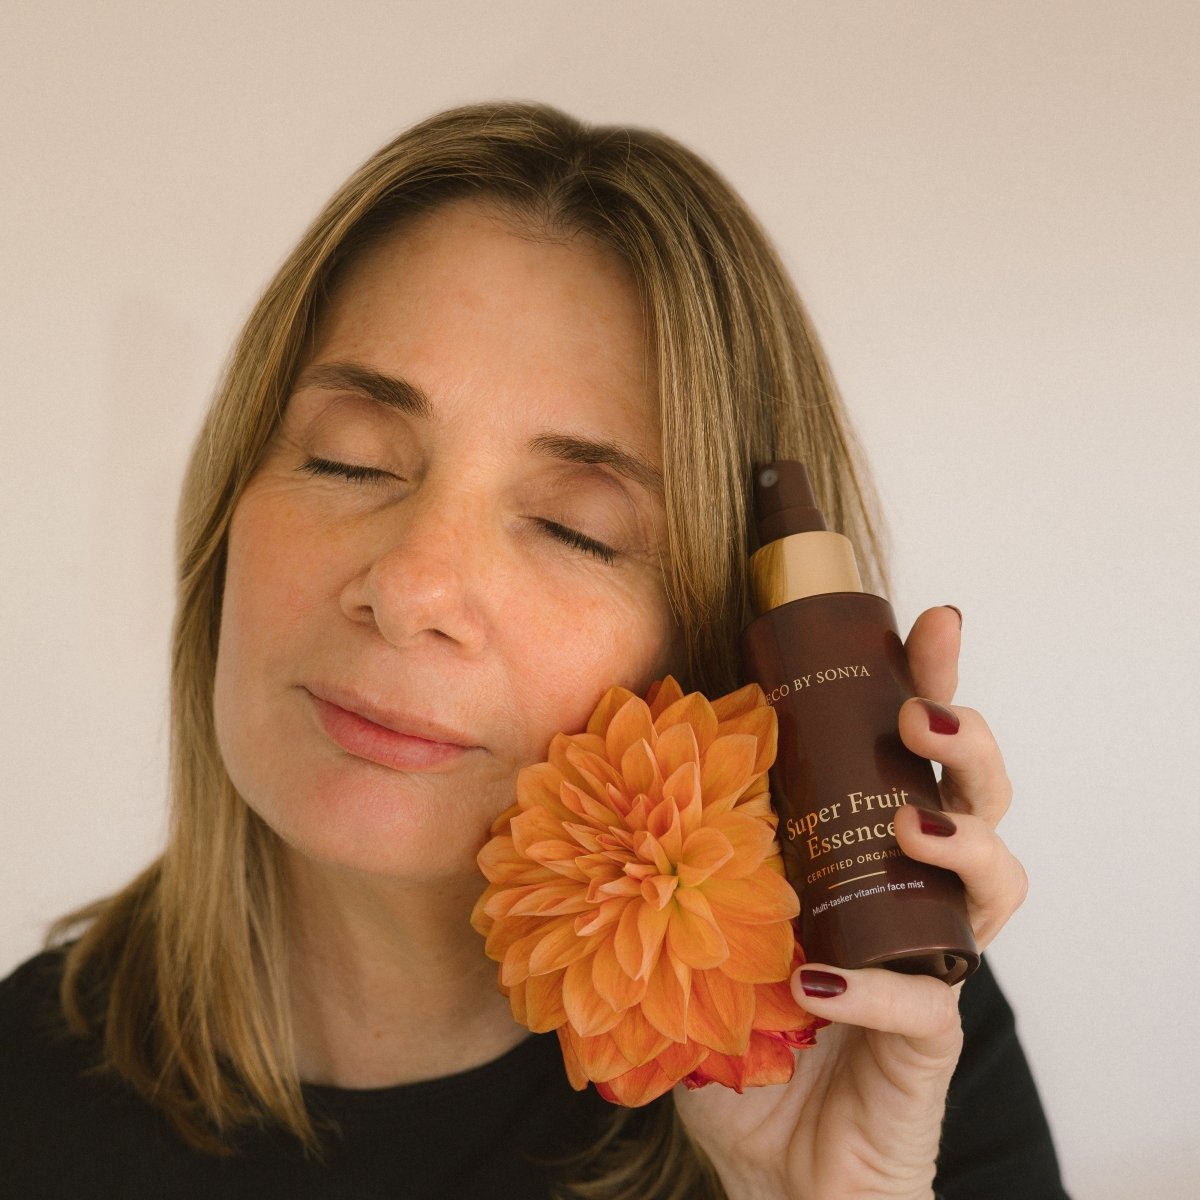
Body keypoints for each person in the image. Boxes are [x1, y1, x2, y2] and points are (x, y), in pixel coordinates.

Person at [0, 102, 1068, 1198]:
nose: (411, 588)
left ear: (719, 651)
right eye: (350, 462)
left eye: (575, 528)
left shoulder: (889, 1042)